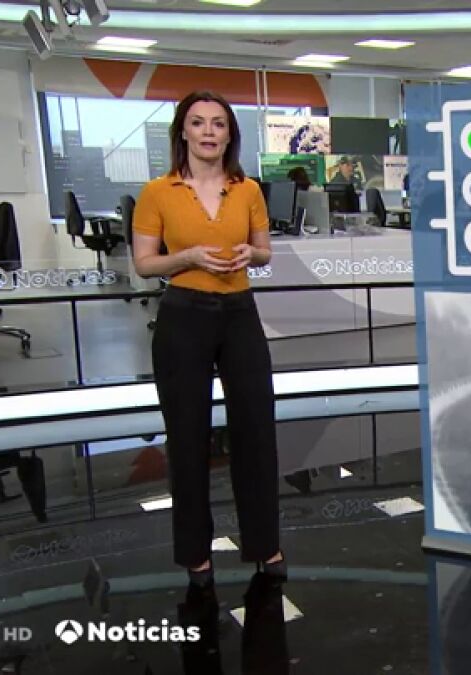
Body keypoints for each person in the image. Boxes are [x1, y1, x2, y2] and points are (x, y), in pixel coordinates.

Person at [131, 90, 285, 588]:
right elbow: (144, 264)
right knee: (187, 435)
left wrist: (250, 255)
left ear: (229, 134)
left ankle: (264, 543)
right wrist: (188, 258)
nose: (208, 132)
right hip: (184, 317)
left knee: (256, 431)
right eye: (198, 123)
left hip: (240, 314)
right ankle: (195, 553)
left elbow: (265, 252)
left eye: (218, 124)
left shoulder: (248, 189)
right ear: (183, 131)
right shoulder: (157, 192)